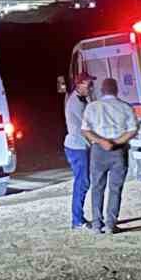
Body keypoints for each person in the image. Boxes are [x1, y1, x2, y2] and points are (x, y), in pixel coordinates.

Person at [80, 77, 137, 234]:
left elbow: (85, 130)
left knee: (97, 187)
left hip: (98, 151)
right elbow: (132, 130)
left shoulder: (92, 107)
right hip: (118, 151)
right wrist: (116, 142)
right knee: (115, 188)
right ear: (116, 90)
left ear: (102, 90)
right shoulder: (125, 107)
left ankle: (97, 224)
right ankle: (111, 223)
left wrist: (101, 141)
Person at [63, 72, 95, 230]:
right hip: (78, 146)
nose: (91, 88)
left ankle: (78, 218)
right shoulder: (76, 103)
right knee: (82, 182)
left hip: (79, 146)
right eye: (89, 85)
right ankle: (77, 220)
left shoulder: (81, 99)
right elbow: (87, 126)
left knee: (83, 181)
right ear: (80, 84)